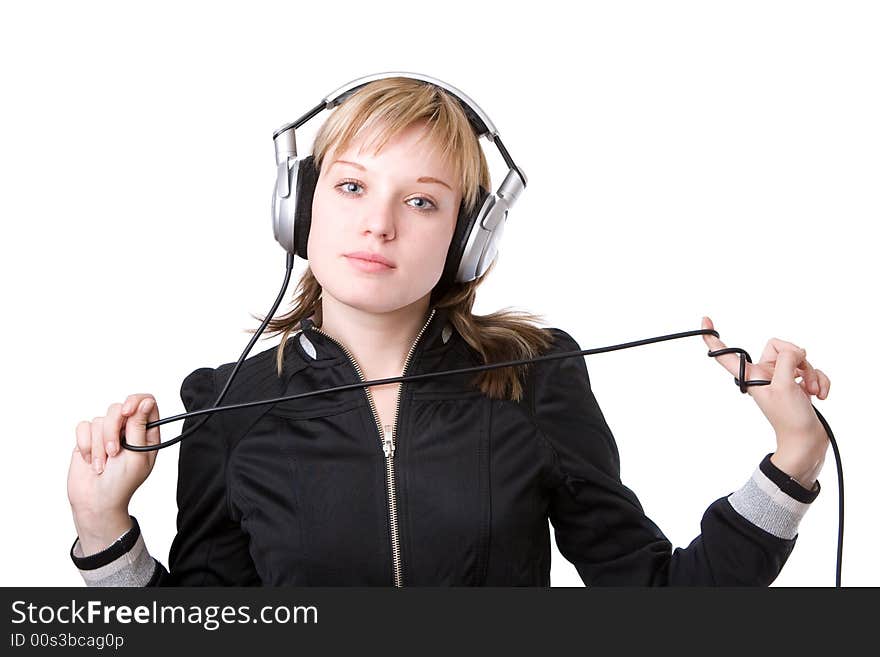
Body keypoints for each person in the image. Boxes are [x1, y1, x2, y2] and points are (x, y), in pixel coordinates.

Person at [66, 76, 832, 586]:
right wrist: (106, 533)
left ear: (469, 239)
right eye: (353, 185)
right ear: (300, 207)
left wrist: (792, 462)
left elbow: (659, 602)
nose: (378, 222)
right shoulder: (226, 406)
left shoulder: (537, 377)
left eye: (423, 202)